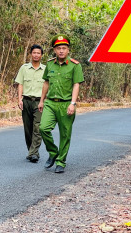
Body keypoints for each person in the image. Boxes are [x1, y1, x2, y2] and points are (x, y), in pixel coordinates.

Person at [38, 34, 84, 173]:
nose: (61, 51)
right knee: (43, 128)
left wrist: (73, 103)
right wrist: (41, 100)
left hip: (66, 104)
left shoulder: (75, 66)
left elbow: (76, 84)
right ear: (54, 50)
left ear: (68, 50)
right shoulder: (50, 63)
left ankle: (61, 161)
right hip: (51, 103)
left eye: (64, 48)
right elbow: (46, 82)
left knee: (65, 134)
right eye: (58, 48)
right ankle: (53, 153)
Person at [15, 44, 45, 163]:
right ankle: (31, 151)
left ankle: (34, 153)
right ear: (31, 54)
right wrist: (19, 99)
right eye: (34, 53)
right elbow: (20, 84)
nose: (36, 55)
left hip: (39, 102)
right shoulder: (24, 68)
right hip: (26, 101)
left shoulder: (45, 69)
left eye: (38, 53)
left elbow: (47, 86)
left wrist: (43, 101)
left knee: (37, 128)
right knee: (28, 129)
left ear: (41, 55)